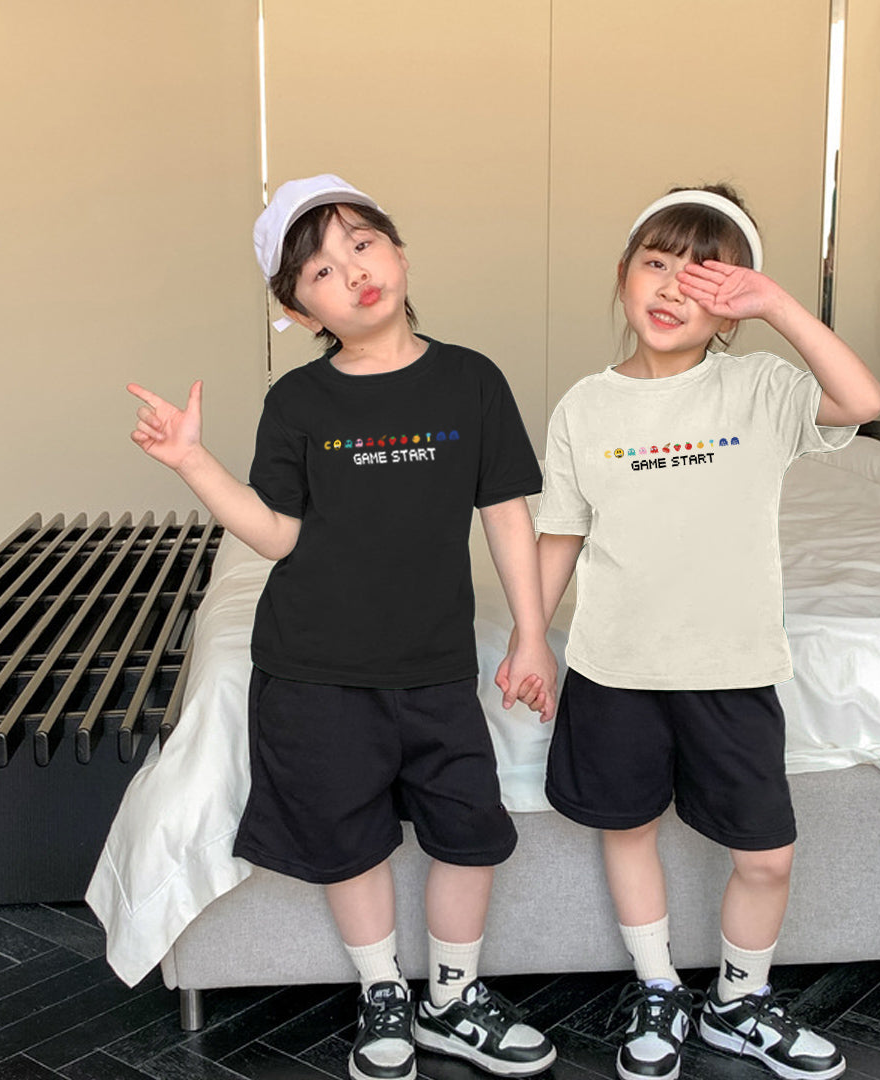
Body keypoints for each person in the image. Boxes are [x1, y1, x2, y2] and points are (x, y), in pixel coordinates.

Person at [128, 174, 558, 1080]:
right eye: (321, 269)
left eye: (362, 243)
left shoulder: (471, 380)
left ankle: (452, 999)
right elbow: (277, 534)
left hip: (435, 666)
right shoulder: (299, 402)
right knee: (348, 838)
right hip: (315, 667)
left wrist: (530, 633)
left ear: (397, 250)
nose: (353, 272)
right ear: (297, 308)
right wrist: (193, 463)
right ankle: (382, 992)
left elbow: (506, 512)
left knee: (470, 832)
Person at [500, 185, 880, 1080]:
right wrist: (529, 638)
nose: (674, 288)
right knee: (628, 831)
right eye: (657, 264)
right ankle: (658, 988)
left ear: (734, 305)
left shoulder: (761, 388)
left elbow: (862, 398)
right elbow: (562, 534)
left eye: (705, 278)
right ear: (623, 276)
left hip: (730, 667)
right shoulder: (584, 407)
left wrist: (778, 306)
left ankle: (739, 1003)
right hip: (616, 669)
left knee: (767, 855)